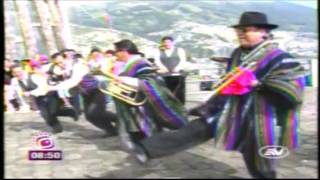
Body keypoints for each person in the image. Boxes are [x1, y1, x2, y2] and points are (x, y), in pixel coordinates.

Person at [135, 12, 307, 178]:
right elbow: (231, 80)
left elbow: (294, 89)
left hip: (260, 116)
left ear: (263, 32)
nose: (240, 34)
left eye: (246, 30)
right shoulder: (238, 53)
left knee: (260, 162)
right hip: (230, 108)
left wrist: (257, 84)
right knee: (196, 129)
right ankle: (147, 149)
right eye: (239, 30)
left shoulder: (281, 58)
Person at [110, 39, 189, 158]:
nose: (115, 54)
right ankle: (146, 150)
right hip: (130, 104)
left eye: (117, 51)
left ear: (124, 51)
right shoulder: (127, 64)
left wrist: (125, 80)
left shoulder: (141, 63)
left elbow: (149, 82)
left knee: (143, 129)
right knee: (136, 130)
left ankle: (150, 150)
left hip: (140, 106)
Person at [48, 53, 118, 137]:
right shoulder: (65, 71)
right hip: (85, 94)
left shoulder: (78, 66)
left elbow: (74, 81)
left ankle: (118, 119)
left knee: (94, 113)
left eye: (61, 62)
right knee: (90, 116)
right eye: (57, 63)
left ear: (67, 58)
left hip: (96, 90)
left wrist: (51, 88)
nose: (60, 65)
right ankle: (111, 130)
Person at [153, 36, 188, 104]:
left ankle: (180, 104)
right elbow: (157, 61)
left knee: (178, 92)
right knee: (165, 91)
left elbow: (183, 60)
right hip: (164, 75)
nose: (167, 44)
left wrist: (178, 68)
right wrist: (162, 67)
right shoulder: (158, 51)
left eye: (169, 42)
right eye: (165, 42)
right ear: (163, 43)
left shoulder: (179, 50)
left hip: (177, 74)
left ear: (172, 42)